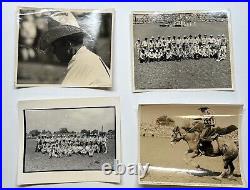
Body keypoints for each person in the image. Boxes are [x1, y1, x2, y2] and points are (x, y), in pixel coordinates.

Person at [39, 11, 111, 87]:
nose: (53, 51)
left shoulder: (81, 62)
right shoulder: (86, 58)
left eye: (55, 46)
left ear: (68, 44)